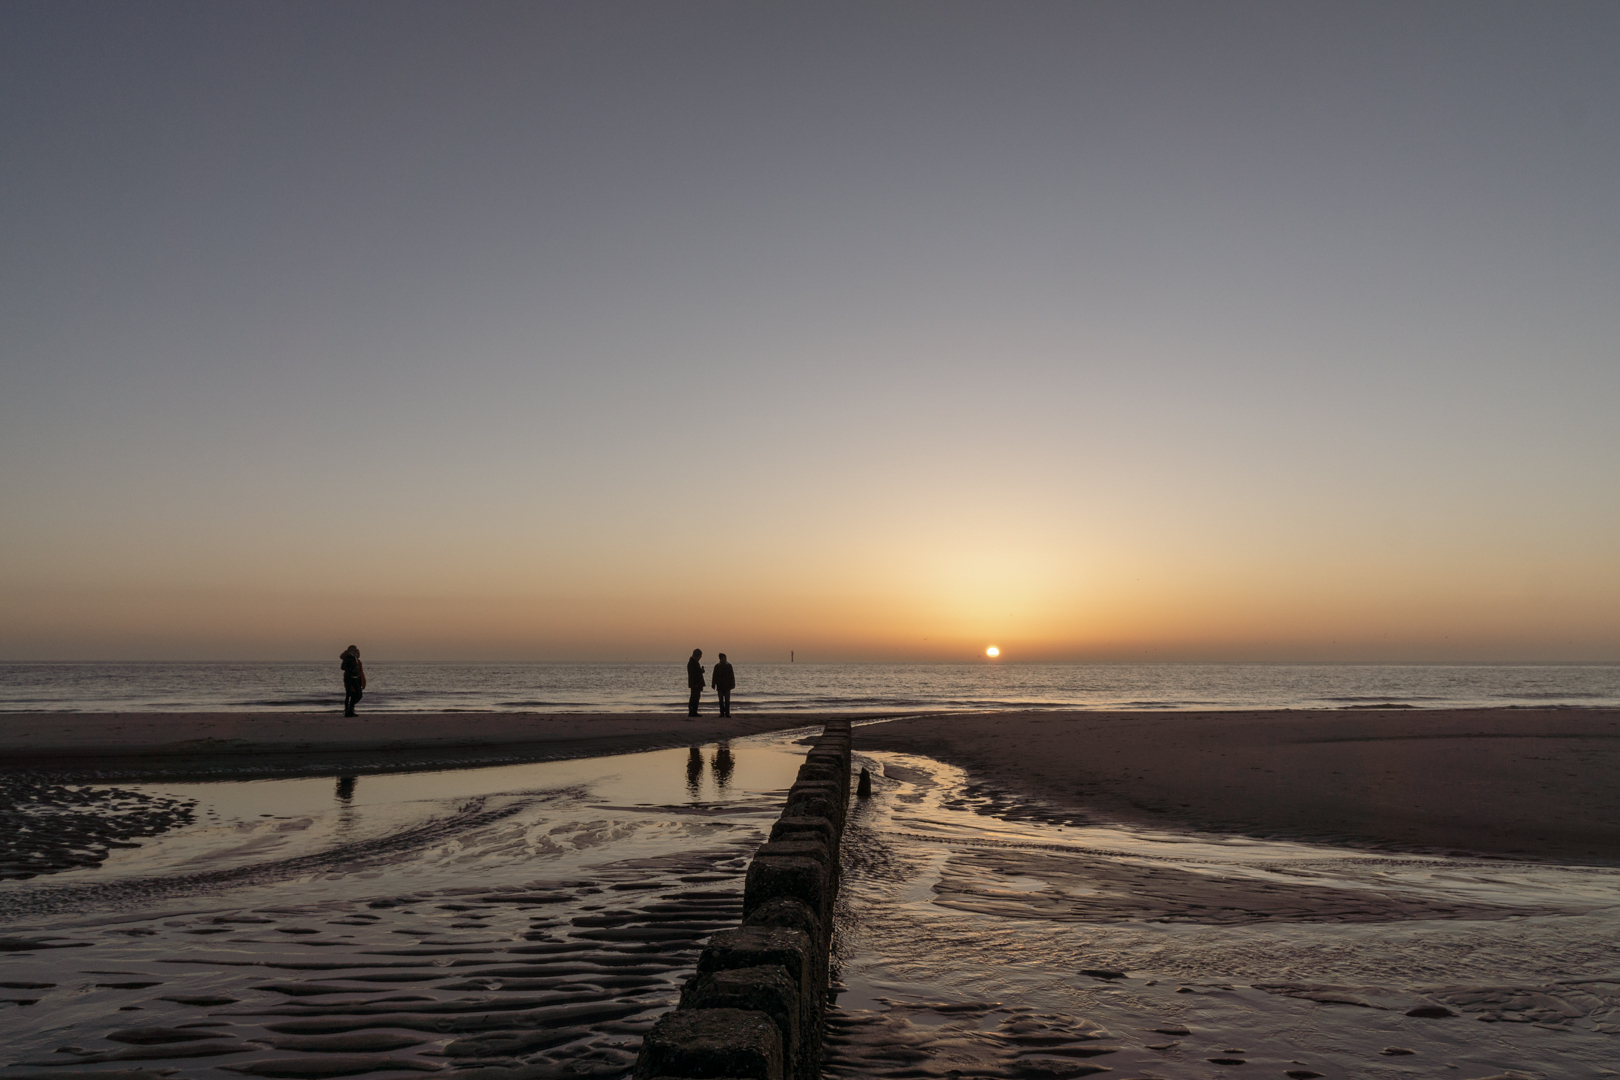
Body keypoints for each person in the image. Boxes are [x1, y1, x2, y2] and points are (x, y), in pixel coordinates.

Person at [340, 645, 366, 716]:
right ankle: (347, 711)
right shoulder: (348, 658)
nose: (356, 651)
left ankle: (350, 708)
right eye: (355, 650)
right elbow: (342, 667)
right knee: (349, 694)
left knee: (358, 694)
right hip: (349, 678)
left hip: (355, 678)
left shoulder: (355, 658)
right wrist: (351, 670)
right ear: (351, 650)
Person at [713, 653, 735, 717]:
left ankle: (727, 713)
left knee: (727, 700)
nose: (725, 659)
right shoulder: (717, 666)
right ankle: (722, 713)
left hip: (727, 686)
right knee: (721, 700)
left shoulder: (729, 666)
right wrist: (713, 684)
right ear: (720, 659)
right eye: (723, 658)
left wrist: (733, 684)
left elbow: (732, 676)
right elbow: (714, 676)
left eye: (725, 658)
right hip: (720, 686)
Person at [686, 648, 705, 717]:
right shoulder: (692, 662)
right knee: (694, 697)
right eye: (700, 656)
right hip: (695, 683)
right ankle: (692, 711)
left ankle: (694, 711)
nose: (700, 657)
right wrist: (701, 671)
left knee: (696, 697)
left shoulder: (694, 662)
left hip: (696, 683)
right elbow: (694, 674)